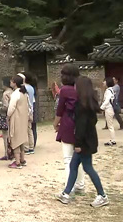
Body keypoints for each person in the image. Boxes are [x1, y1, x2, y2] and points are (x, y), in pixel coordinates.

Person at [56, 76, 110, 208]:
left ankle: (102, 195)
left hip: (84, 142)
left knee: (87, 168)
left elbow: (81, 126)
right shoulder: (90, 103)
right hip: (89, 139)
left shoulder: (81, 105)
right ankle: (66, 193)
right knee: (74, 165)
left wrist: (78, 144)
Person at [53, 64, 84, 193]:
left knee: (68, 158)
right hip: (81, 124)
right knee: (78, 158)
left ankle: (69, 187)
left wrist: (55, 124)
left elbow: (60, 110)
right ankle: (80, 185)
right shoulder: (82, 89)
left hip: (67, 123)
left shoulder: (65, 90)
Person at [7, 75, 29, 169]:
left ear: (15, 83)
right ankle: (22, 159)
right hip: (23, 118)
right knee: (21, 139)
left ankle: (17, 161)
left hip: (16, 118)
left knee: (15, 139)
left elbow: (11, 107)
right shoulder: (24, 93)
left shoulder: (15, 94)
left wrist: (8, 116)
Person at [19, 72, 36, 155]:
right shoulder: (31, 88)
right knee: (30, 129)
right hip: (31, 110)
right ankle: (31, 147)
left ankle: (26, 147)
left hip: (25, 111)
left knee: (24, 130)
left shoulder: (23, 88)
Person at [0, 77, 12, 161]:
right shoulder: (13, 92)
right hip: (13, 116)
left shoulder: (5, 94)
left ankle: (7, 153)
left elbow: (5, 107)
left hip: (5, 116)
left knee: (5, 136)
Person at [101, 78, 117, 146]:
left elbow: (107, 100)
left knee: (110, 125)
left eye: (104, 81)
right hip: (110, 109)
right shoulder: (111, 90)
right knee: (110, 125)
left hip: (109, 109)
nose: (103, 83)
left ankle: (113, 140)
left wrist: (101, 107)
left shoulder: (108, 91)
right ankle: (112, 139)